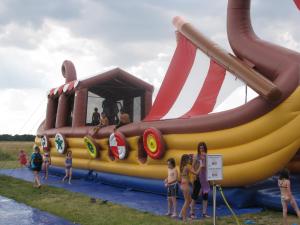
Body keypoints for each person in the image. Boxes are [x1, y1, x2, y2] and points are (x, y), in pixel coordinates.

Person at [179, 154, 201, 222]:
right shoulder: (187, 167)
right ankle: (183, 217)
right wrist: (201, 166)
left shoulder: (182, 167)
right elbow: (196, 173)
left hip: (182, 185)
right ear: (186, 160)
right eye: (188, 159)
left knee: (188, 201)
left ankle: (182, 215)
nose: (189, 160)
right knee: (187, 201)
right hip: (185, 185)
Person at [198, 142, 210, 218]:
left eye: (202, 148)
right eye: (200, 148)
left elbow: (207, 166)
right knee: (195, 194)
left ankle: (204, 213)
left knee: (205, 195)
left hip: (205, 177)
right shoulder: (198, 156)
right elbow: (196, 166)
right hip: (198, 177)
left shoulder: (206, 156)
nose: (201, 149)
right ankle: (192, 211)